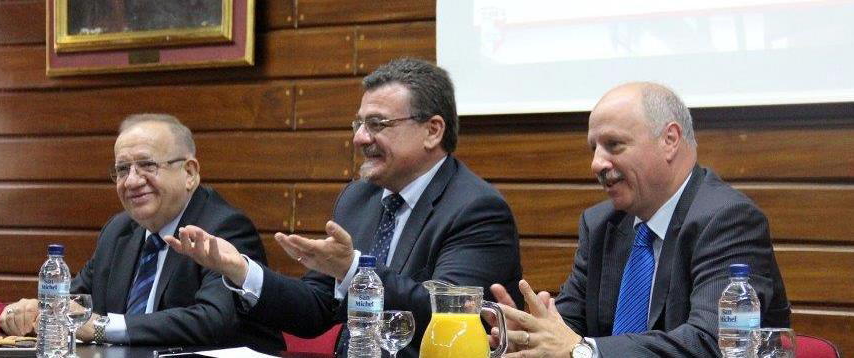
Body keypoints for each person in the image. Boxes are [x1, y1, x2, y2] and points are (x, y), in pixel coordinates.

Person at [166, 58, 524, 357]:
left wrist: (355, 270)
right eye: (359, 124)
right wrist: (241, 270)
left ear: (432, 131)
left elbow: (447, 317)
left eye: (377, 124)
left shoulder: (477, 209)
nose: (359, 138)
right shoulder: (358, 198)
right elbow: (316, 308)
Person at [490, 82, 791, 357]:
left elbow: (713, 343)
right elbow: (566, 328)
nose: (596, 163)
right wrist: (530, 338)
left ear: (669, 139)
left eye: (614, 145)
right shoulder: (601, 225)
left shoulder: (727, 220)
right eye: (593, 148)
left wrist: (585, 351)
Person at [0, 114, 284, 351]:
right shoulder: (118, 231)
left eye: (147, 165)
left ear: (190, 173)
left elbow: (212, 320)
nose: (132, 181)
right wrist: (35, 309)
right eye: (122, 169)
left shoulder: (223, 228)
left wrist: (100, 327)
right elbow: (74, 302)